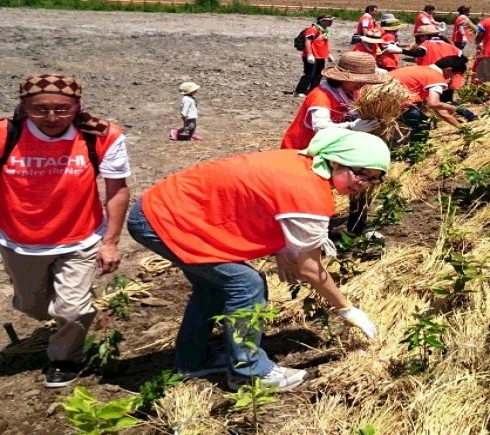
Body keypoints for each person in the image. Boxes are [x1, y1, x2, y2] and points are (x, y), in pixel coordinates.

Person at [127, 128, 390, 391]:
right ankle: (249, 372)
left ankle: (195, 360)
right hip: (164, 219)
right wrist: (347, 309)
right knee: (247, 285)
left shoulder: (300, 164)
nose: (362, 183)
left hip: (168, 208)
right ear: (335, 160)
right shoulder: (308, 191)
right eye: (360, 172)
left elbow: (262, 202)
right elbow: (310, 269)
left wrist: (283, 250)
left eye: (373, 179)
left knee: (213, 287)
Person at [0, 74, 131, 388]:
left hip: (81, 237)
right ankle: (65, 317)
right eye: (39, 110)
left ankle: (64, 358)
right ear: (23, 107)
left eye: (62, 109)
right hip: (19, 240)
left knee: (71, 310)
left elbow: (117, 190)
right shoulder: (6, 133)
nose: (51, 118)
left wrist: (110, 241)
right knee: (30, 305)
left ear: (78, 106)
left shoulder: (102, 135)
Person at [281, 51, 385, 149]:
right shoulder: (321, 95)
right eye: (357, 80)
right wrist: (351, 126)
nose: (362, 84)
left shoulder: (353, 91)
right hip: (303, 148)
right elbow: (320, 128)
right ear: (342, 77)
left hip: (329, 145)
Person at [389, 56, 470, 144]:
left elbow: (440, 111)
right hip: (392, 101)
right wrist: (451, 107)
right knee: (422, 123)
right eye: (455, 74)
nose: (452, 78)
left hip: (381, 99)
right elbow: (433, 103)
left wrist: (461, 127)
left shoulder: (424, 70)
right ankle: (413, 155)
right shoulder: (436, 78)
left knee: (418, 111)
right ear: (449, 70)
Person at [293, 14, 335, 98]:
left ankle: (313, 90)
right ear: (322, 21)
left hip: (320, 56)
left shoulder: (324, 31)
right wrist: (309, 54)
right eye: (329, 20)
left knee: (318, 74)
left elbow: (324, 43)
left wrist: (328, 54)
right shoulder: (313, 30)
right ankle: (299, 91)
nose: (331, 22)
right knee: (309, 74)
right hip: (312, 56)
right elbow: (307, 42)